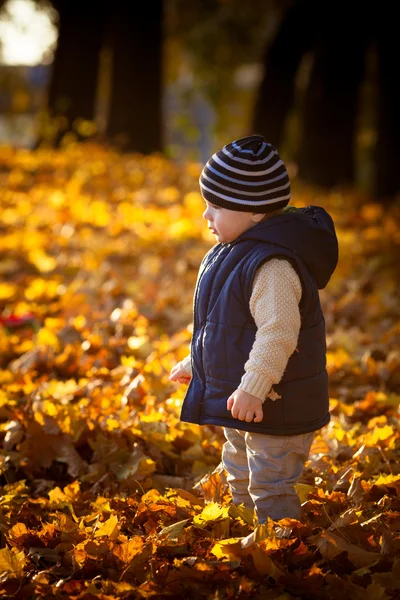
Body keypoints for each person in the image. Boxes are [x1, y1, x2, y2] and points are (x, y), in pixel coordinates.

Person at [169, 134, 338, 524]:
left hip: (274, 402)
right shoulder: (232, 253)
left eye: (215, 206)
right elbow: (225, 327)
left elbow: (278, 333)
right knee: (239, 471)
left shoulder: (272, 267)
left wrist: (253, 387)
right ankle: (247, 542)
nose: (206, 216)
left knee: (271, 482)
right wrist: (197, 361)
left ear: (255, 212)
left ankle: (279, 550)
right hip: (247, 402)